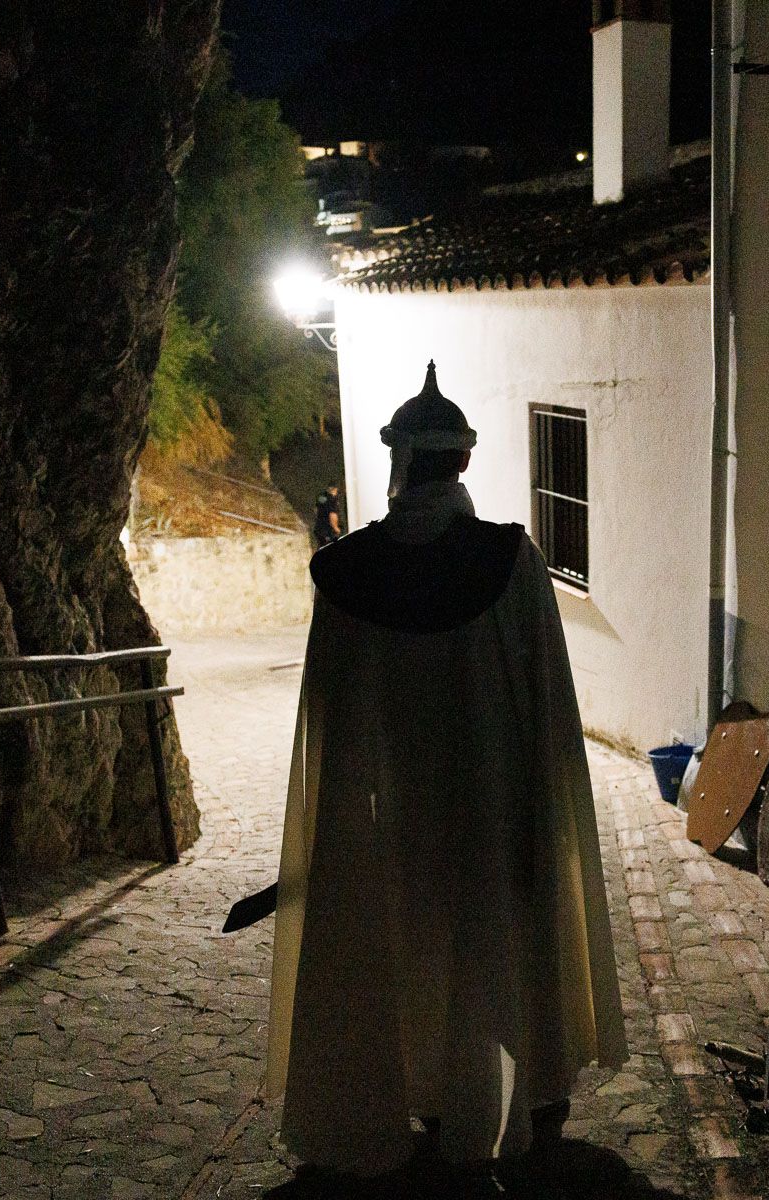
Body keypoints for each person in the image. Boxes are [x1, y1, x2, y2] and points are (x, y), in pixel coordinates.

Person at [261, 361, 627, 1178]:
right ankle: (498, 1109)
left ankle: (411, 1104)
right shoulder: (510, 562)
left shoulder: (348, 573)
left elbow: (330, 724)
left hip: (388, 816)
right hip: (490, 813)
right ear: (462, 460)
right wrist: (543, 815)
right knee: (491, 956)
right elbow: (548, 707)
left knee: (402, 960)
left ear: (398, 458)